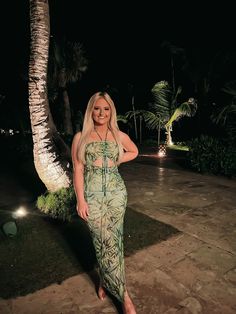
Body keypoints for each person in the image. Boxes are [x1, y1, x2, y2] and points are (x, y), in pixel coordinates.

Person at [71, 91, 138, 314]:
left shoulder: (118, 135)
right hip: (93, 198)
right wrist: (81, 200)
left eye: (106, 109)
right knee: (102, 244)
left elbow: (134, 151)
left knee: (114, 243)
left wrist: (117, 159)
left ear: (111, 112)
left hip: (116, 196)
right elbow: (78, 170)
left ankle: (124, 295)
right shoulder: (80, 137)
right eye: (97, 108)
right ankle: (105, 281)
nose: (102, 112)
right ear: (91, 111)